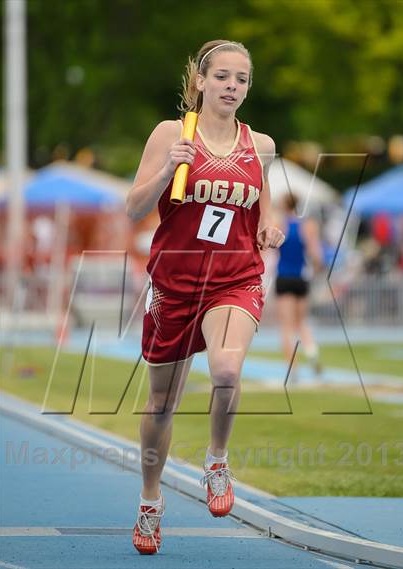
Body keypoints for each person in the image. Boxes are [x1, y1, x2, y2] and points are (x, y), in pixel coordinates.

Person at [126, 39, 285, 555]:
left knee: (226, 371)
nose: (232, 87)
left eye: (241, 79)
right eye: (222, 77)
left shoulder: (260, 145)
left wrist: (272, 228)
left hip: (234, 278)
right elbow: (133, 208)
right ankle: (151, 502)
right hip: (175, 281)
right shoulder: (173, 133)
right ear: (200, 80)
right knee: (162, 402)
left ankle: (216, 460)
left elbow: (265, 210)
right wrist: (165, 168)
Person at [274, 193, 323, 383]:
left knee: (287, 326)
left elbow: (268, 249)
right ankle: (312, 354)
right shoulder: (307, 226)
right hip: (301, 278)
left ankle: (292, 369)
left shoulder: (280, 224)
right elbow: (315, 253)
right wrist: (318, 268)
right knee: (301, 323)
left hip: (284, 277)